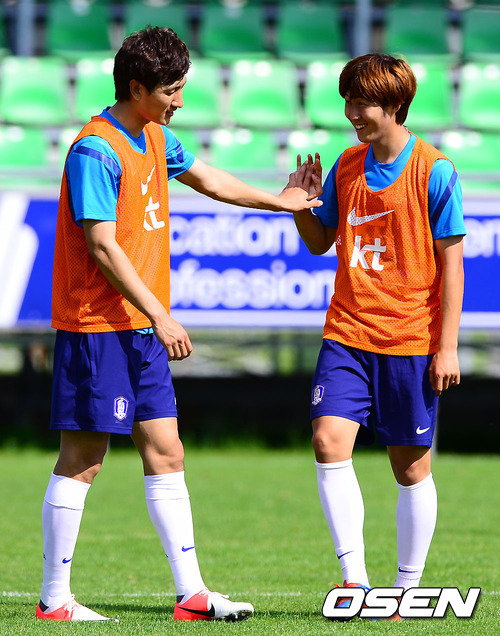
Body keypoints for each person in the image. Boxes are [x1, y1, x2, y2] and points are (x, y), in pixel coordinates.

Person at [36, 25, 321, 623]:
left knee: (167, 452)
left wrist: (281, 201)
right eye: (171, 90)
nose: (180, 101)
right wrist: (160, 314)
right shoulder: (95, 150)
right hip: (97, 327)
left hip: (139, 330)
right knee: (83, 457)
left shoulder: (156, 135)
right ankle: (54, 600)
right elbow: (103, 246)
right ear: (136, 88)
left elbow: (210, 180)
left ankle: (191, 595)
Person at [291, 54, 465, 621]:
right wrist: (299, 203)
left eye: (361, 102)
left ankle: (406, 589)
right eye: (347, 101)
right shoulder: (347, 165)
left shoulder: (434, 171)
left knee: (410, 468)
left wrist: (447, 346)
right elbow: (319, 242)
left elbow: (453, 267)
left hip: (411, 341)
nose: (351, 113)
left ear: (394, 104)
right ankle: (355, 581)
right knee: (327, 441)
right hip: (347, 333)